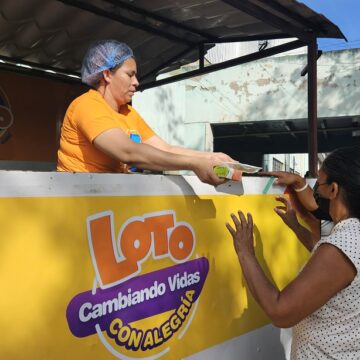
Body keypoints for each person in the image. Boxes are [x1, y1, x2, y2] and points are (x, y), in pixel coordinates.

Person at [226, 145, 360, 359]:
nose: (315, 192)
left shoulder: (343, 244)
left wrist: (245, 252)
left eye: (320, 185)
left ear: (334, 190)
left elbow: (280, 312)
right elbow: (327, 261)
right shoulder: (350, 238)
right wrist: (296, 226)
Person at [57, 40, 238, 186]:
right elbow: (128, 152)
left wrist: (210, 157)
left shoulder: (127, 113)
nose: (136, 82)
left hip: (106, 201)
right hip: (76, 201)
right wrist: (194, 164)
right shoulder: (87, 105)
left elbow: (165, 148)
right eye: (130, 75)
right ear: (107, 75)